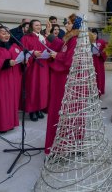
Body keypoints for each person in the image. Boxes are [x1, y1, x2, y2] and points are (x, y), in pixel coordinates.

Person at [45, 14, 81, 154]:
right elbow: (62, 45)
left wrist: (57, 56)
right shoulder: (70, 38)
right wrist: (49, 35)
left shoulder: (75, 39)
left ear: (75, 25)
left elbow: (70, 61)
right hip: (63, 80)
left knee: (63, 110)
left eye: (69, 23)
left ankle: (63, 145)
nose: (66, 25)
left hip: (66, 81)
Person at [21, 19, 51, 122]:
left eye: (39, 25)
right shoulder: (26, 38)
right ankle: (32, 110)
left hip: (43, 66)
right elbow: (23, 52)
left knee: (41, 88)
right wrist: (33, 53)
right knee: (33, 88)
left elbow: (49, 48)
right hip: (33, 68)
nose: (38, 27)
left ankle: (39, 108)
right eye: (36, 25)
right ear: (31, 26)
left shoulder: (43, 38)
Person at [90, 28, 107, 97]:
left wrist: (101, 54)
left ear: (97, 34)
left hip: (99, 63)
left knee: (99, 77)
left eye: (95, 34)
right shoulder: (87, 43)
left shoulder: (102, 42)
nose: (94, 35)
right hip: (91, 63)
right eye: (92, 34)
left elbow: (106, 51)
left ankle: (99, 91)